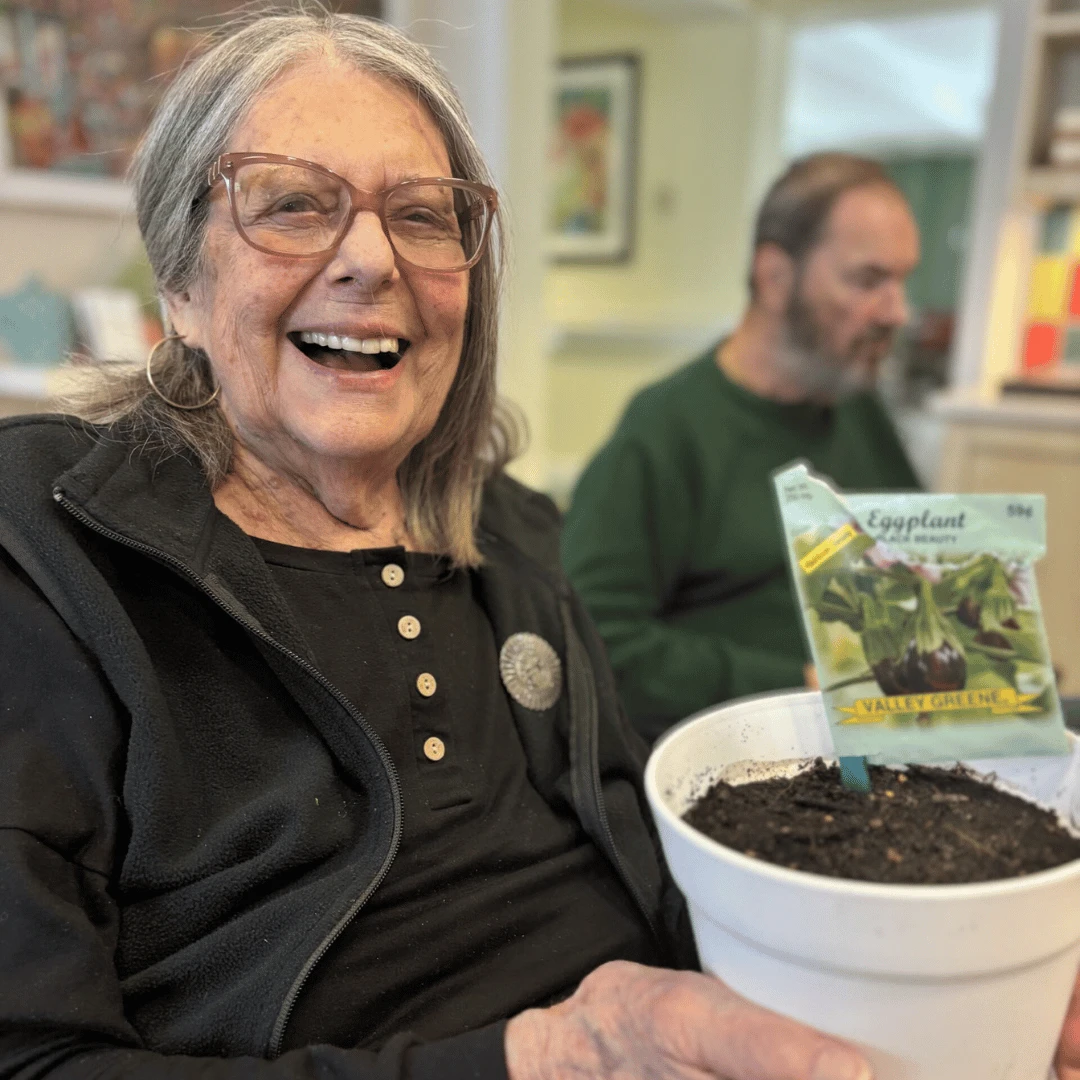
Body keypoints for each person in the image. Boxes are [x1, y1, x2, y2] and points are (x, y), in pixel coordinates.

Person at [0, 13, 892, 1080]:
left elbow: (654, 873)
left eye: (425, 217)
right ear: (180, 283)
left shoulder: (512, 532)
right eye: (291, 204)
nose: (372, 260)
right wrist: (549, 1060)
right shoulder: (49, 549)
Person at [562, 154, 922, 743]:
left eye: (903, 280)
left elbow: (917, 572)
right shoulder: (665, 429)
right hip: (750, 757)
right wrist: (802, 688)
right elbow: (596, 642)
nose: (897, 311)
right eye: (868, 280)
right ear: (775, 277)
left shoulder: (860, 411)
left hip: (889, 734)